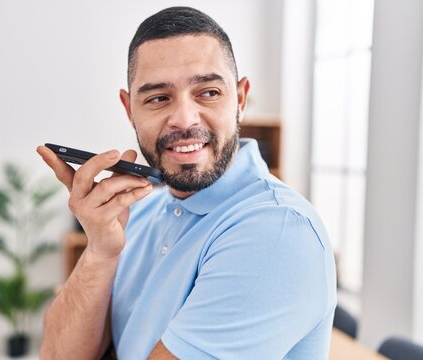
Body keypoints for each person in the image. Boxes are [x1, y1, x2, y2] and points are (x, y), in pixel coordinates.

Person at [37, 6, 336, 360]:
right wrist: (100, 252)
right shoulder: (142, 212)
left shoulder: (278, 231)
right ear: (130, 109)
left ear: (239, 100)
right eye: (158, 98)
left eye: (208, 92)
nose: (183, 119)